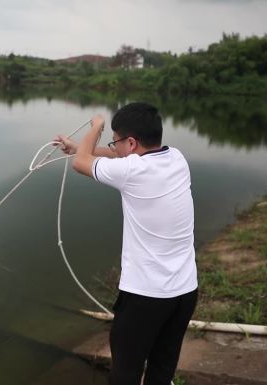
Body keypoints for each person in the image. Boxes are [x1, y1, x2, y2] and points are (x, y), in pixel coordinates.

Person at [54, 102, 198, 385]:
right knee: (162, 367)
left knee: (125, 372)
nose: (115, 146)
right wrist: (79, 146)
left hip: (146, 297)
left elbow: (81, 164)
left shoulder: (133, 171)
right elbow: (119, 156)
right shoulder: (177, 158)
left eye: (116, 140)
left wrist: (96, 127)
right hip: (185, 292)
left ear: (131, 142)